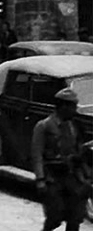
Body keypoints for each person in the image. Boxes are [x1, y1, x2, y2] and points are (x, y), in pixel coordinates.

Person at [32, 87, 92, 231]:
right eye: (72, 106)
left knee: (75, 217)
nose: (75, 110)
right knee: (55, 217)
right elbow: (37, 154)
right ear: (63, 106)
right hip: (53, 178)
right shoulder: (44, 126)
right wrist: (40, 179)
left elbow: (78, 149)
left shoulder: (74, 126)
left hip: (72, 177)